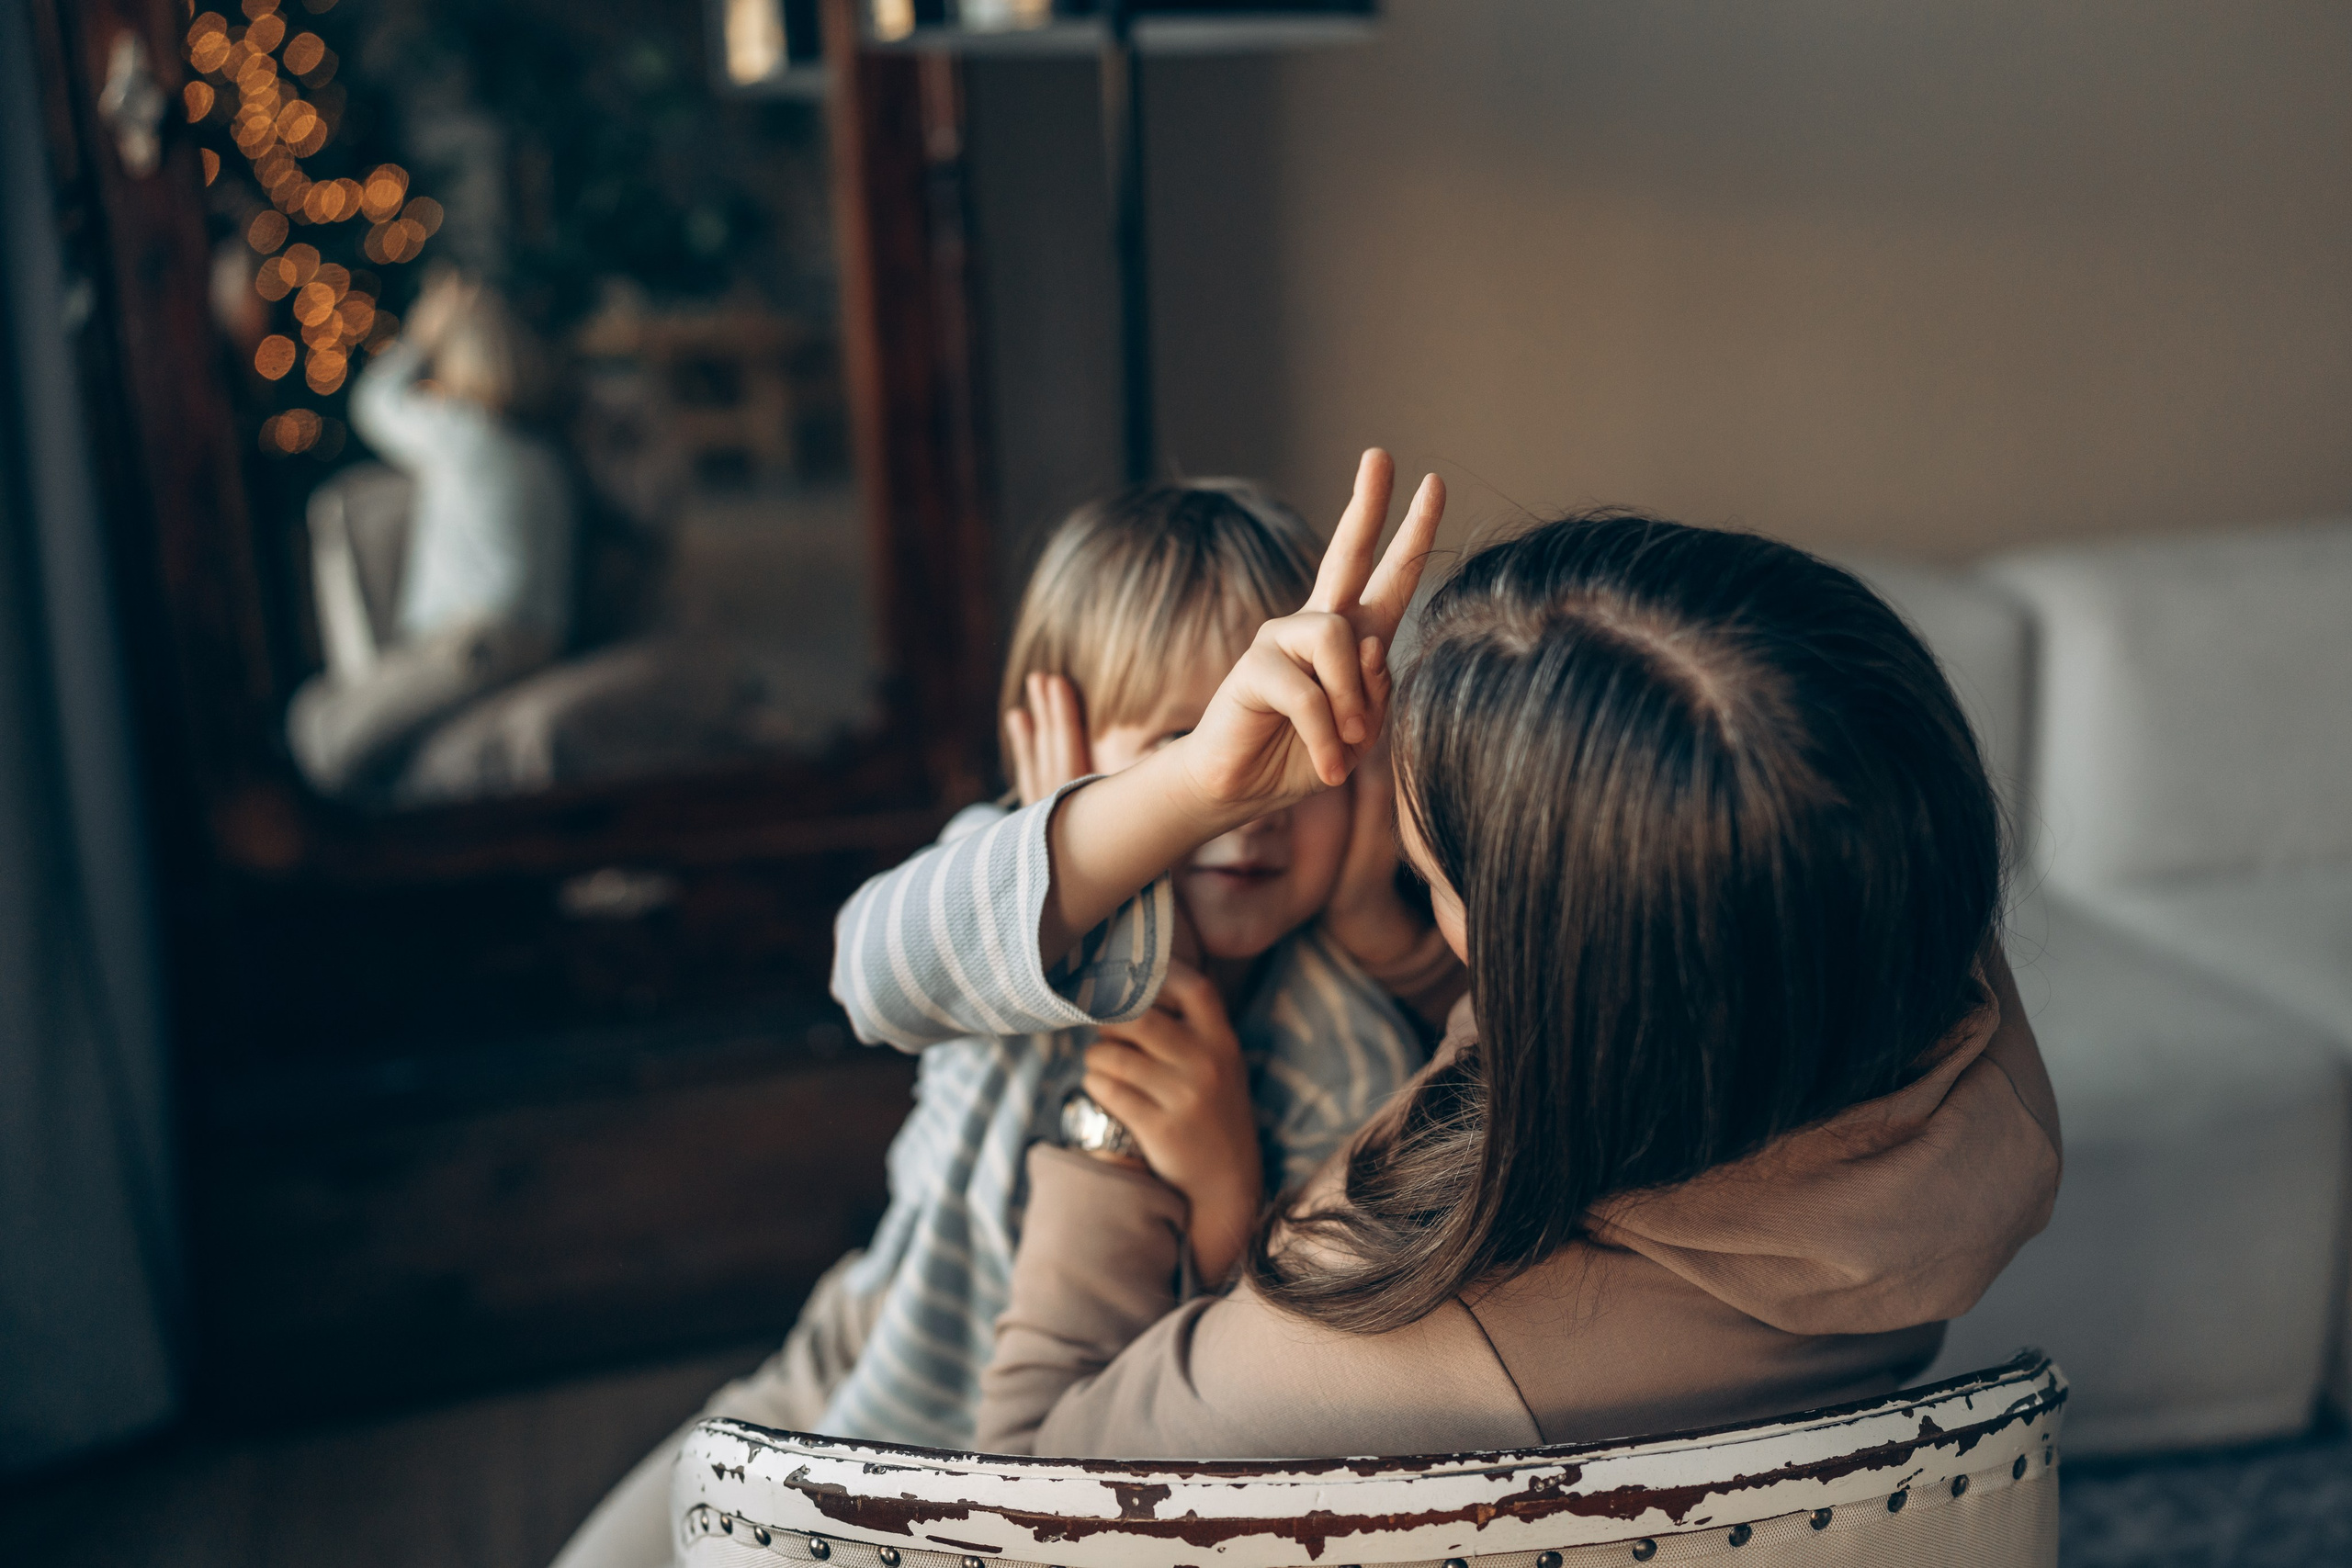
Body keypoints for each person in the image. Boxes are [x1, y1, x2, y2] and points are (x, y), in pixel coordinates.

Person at [977, 461, 2063, 1458]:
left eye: (1426, 874)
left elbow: (1030, 1480)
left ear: (1543, 968)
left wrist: (1112, 1109)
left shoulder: (1391, 1314)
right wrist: (1392, 936)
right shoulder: (1966, 1029)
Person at [548, 476, 1460, 1568]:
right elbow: (868, 976)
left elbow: (1239, 1412)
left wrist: (1226, 1203)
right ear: (1064, 745)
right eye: (1188, 745)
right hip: (851, 1352)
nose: (1247, 807)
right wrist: (1129, 814)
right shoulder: (1010, 892)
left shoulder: (1342, 1037)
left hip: (992, 1493)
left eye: (1289, 758)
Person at [287, 270, 574, 795]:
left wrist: (420, 336)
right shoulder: (542, 453)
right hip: (539, 639)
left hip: (474, 643)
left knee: (324, 733)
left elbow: (372, 404)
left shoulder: (464, 434)